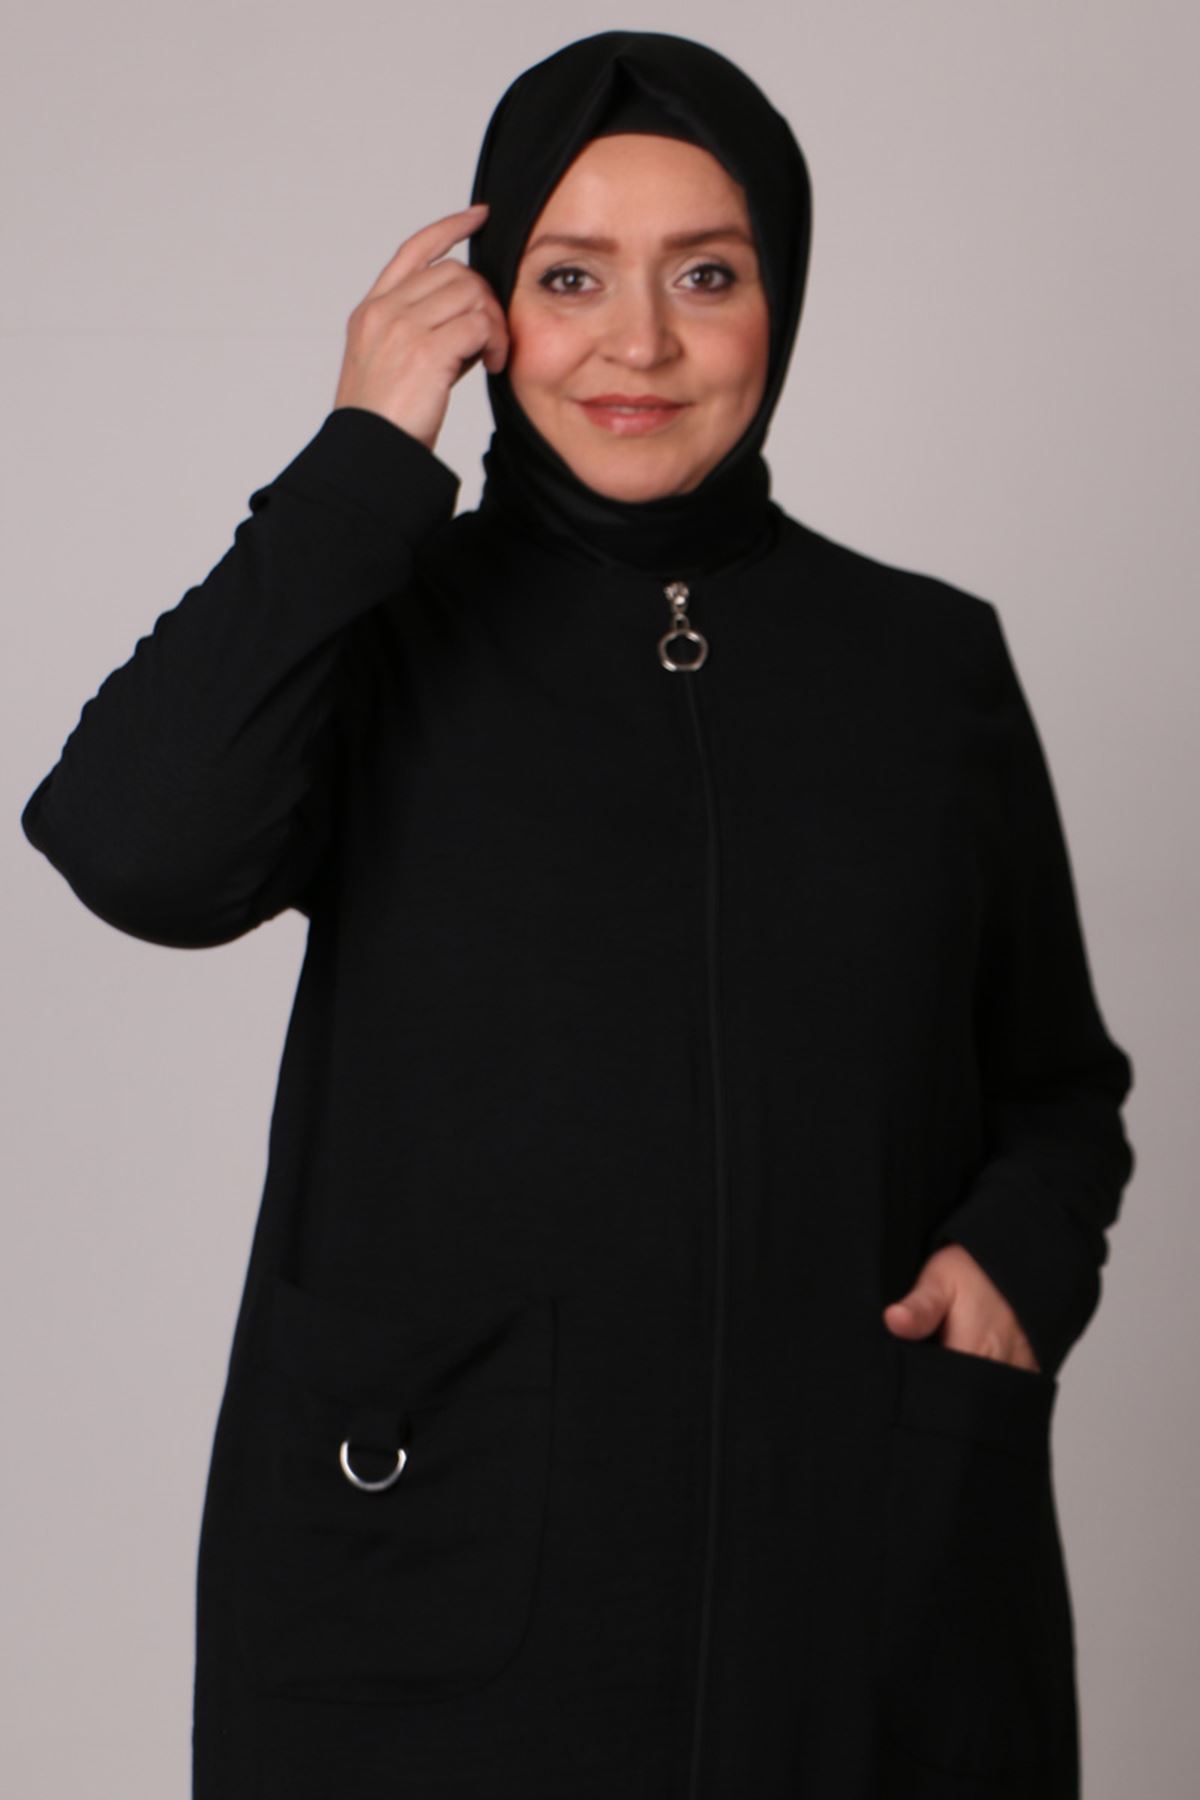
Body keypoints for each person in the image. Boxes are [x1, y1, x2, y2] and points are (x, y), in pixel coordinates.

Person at [19, 28, 1135, 1800]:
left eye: (707, 274)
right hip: (447, 1576)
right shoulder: (379, 622)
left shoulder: (927, 665)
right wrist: (364, 456)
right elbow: (135, 848)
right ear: (485, 311)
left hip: (854, 1568)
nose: (641, 344)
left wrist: (1016, 1264)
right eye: (569, 275)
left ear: (780, 297)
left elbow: (1059, 1087)